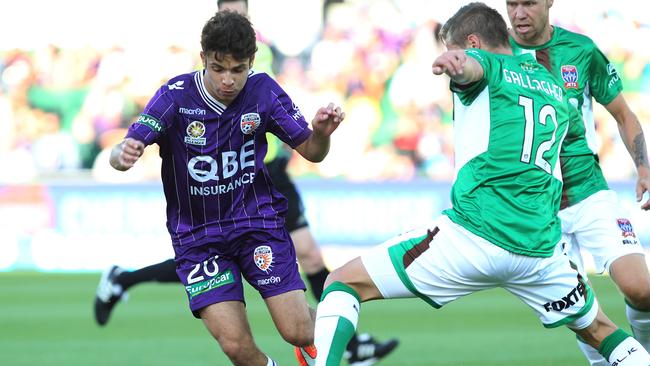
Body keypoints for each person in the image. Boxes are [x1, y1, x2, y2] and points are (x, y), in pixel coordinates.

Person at [306, 3, 650, 366]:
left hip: (475, 236)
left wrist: (457, 63)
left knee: (342, 283)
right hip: (540, 249)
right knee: (601, 330)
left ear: (472, 42)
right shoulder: (551, 85)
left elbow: (473, 67)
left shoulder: (487, 65)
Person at [96, 1, 398, 365]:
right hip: (199, 239)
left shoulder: (263, 91)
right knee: (237, 347)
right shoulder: (175, 96)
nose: (228, 79)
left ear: (251, 62)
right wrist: (122, 154)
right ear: (203, 57)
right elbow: (126, 148)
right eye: (218, 68)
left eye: (238, 70)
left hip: (257, 225)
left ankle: (341, 344)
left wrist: (321, 133)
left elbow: (312, 152)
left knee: (299, 332)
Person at [506, 1, 650, 364]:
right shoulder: (495, 55)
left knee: (642, 289)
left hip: (589, 192)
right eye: (511, 4)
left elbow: (623, 113)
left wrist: (644, 168)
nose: (519, 13)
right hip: (538, 211)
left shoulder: (581, 51)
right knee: (583, 314)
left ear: (549, 2)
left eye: (529, 3)